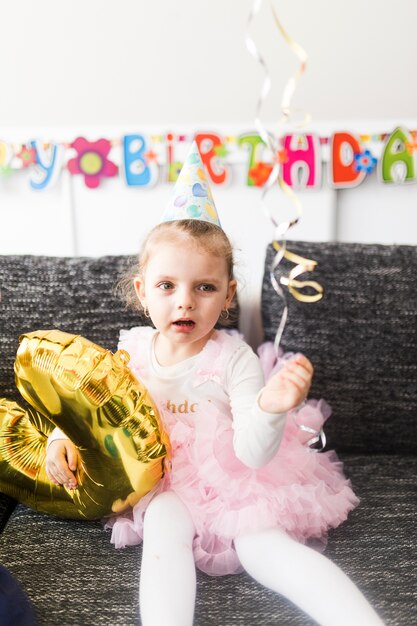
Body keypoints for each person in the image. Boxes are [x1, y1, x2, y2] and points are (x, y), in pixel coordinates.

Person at [45, 143, 385, 626]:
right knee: (164, 524)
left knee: (262, 545)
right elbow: (88, 409)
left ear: (227, 295)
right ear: (143, 292)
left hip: (235, 479)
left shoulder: (234, 359)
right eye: (167, 286)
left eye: (204, 287)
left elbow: (251, 456)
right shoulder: (131, 352)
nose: (185, 302)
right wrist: (62, 440)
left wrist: (271, 407)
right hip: (158, 481)